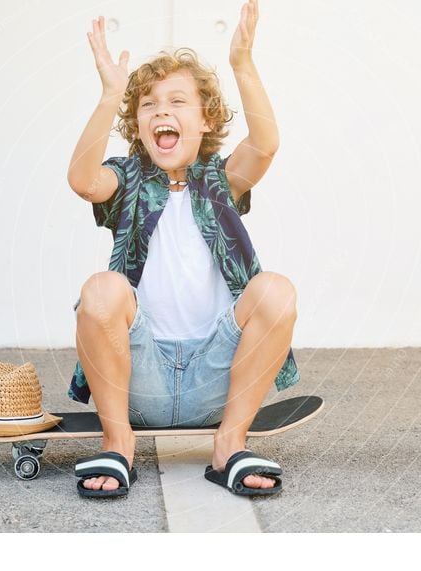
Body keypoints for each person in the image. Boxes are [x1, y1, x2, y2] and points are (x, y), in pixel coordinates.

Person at [67, 0, 300, 498]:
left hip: (217, 376)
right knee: (101, 289)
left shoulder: (221, 179)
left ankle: (229, 444)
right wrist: (111, 93)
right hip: (139, 377)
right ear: (137, 124)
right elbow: (83, 180)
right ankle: (118, 442)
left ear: (205, 121)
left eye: (177, 101)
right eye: (148, 104)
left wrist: (242, 63)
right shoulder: (127, 177)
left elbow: (266, 144)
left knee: (276, 290)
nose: (161, 111)